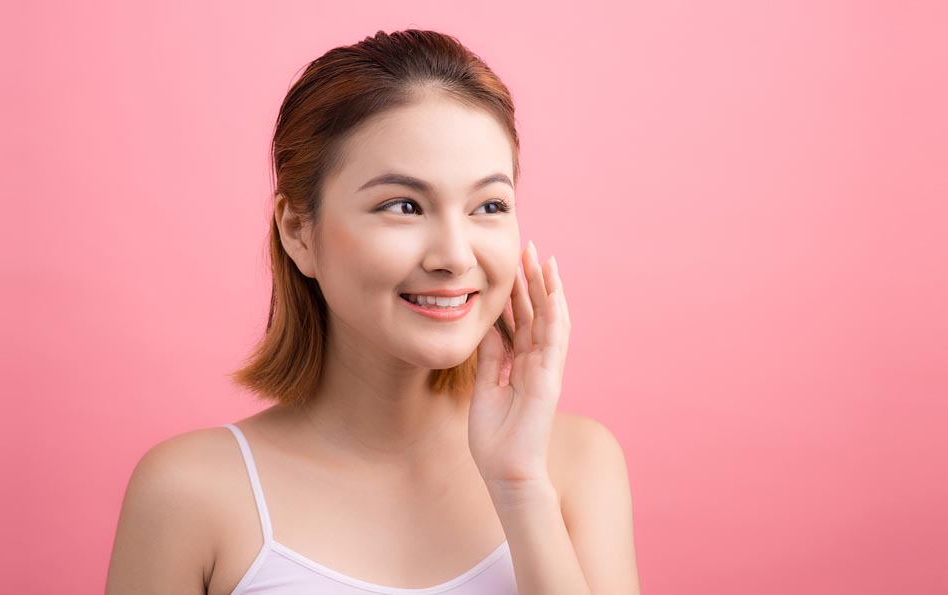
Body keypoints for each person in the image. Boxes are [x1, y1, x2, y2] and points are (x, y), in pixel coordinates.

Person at [106, 29, 640, 595]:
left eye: (489, 205)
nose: (456, 257)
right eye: (403, 206)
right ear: (298, 231)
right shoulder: (189, 493)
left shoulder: (577, 466)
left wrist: (521, 486)